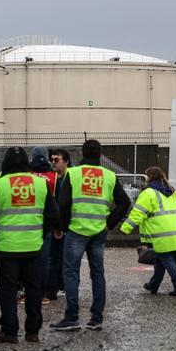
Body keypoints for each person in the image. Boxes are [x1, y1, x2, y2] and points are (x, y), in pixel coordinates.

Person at [50, 139, 130, 332]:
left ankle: (72, 317)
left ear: (82, 154)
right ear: (100, 154)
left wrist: (63, 226)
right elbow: (124, 202)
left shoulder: (74, 173)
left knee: (71, 273)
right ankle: (96, 318)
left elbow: (63, 203)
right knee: (98, 274)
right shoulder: (109, 176)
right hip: (99, 231)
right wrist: (109, 223)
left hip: (76, 231)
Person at [0, 147, 59, 344]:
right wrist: (41, 233)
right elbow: (53, 215)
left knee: (8, 291)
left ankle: (9, 331)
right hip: (33, 246)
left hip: (6, 248)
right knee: (34, 290)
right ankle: (32, 331)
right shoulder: (41, 184)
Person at [120, 166, 176, 296]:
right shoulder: (175, 193)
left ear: (149, 178)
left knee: (167, 260)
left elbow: (138, 213)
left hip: (162, 235)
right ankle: (153, 285)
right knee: (160, 259)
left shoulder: (149, 193)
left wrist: (125, 228)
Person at [29, 146, 57, 306]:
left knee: (28, 258)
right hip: (46, 220)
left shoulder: (27, 175)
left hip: (28, 221)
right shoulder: (52, 176)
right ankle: (44, 291)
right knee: (46, 259)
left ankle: (27, 290)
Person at [46, 148, 71, 300]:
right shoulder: (51, 177)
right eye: (52, 160)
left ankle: (62, 285)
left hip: (66, 222)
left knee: (64, 257)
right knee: (53, 257)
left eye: (57, 160)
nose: (53, 163)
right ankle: (53, 286)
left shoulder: (70, 177)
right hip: (54, 222)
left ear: (66, 161)